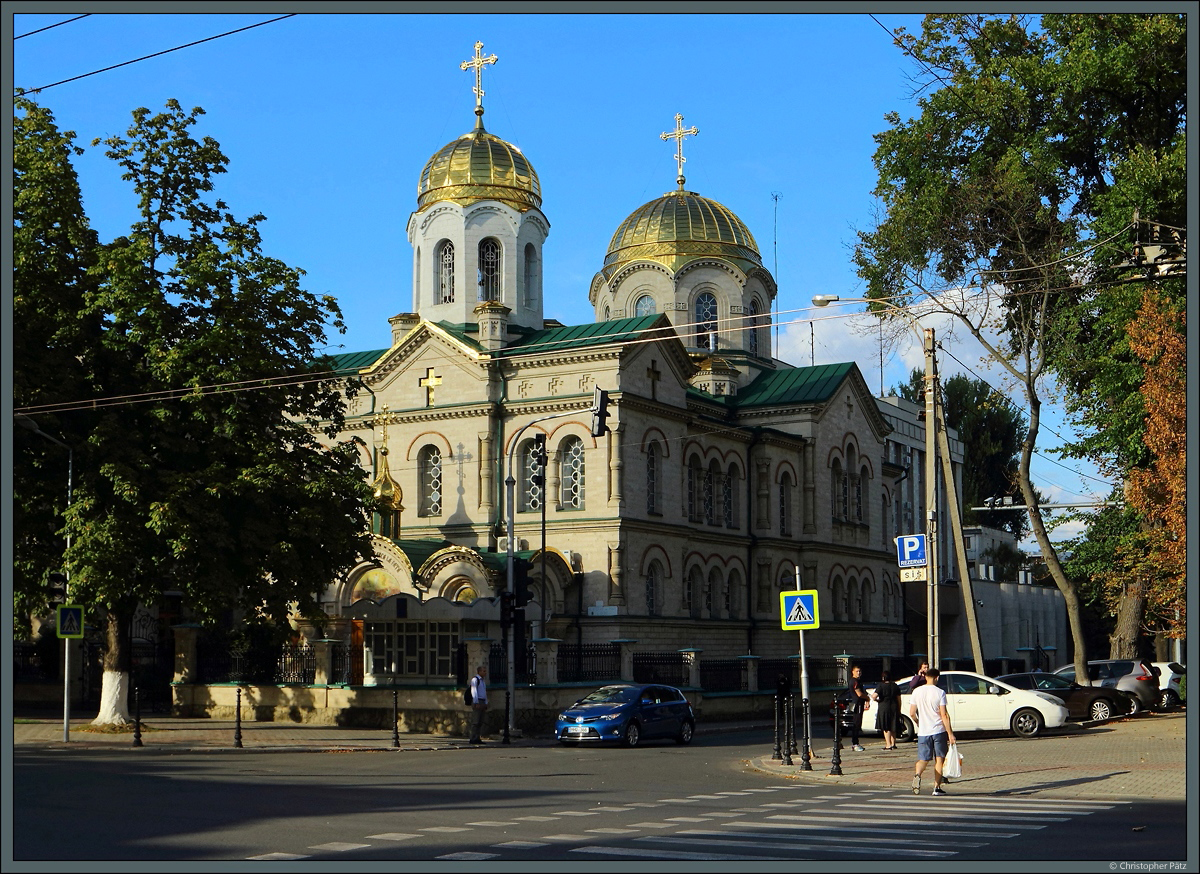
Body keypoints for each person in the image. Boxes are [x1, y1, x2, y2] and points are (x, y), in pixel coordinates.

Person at [909, 667, 956, 796]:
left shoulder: (917, 692)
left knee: (923, 759)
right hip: (938, 730)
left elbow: (912, 713)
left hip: (923, 732)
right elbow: (944, 715)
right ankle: (936, 787)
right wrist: (950, 734)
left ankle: (918, 775)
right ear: (937, 678)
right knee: (939, 759)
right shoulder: (940, 692)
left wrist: (918, 722)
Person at [845, 664, 870, 751]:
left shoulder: (858, 681)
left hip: (859, 703)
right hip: (857, 704)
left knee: (858, 724)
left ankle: (856, 743)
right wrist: (867, 698)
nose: (858, 673)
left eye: (860, 671)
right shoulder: (854, 681)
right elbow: (859, 694)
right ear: (852, 672)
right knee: (856, 724)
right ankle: (855, 743)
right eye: (857, 671)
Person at [875, 670, 901, 750]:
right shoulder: (895, 686)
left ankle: (888, 744)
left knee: (886, 726)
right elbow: (899, 699)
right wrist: (899, 709)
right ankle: (893, 744)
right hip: (893, 706)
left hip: (884, 706)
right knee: (893, 725)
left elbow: (873, 696)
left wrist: (878, 700)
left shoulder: (881, 686)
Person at [468, 663, 488, 744]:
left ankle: (478, 737)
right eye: (484, 671)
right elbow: (474, 691)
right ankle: (473, 738)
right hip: (478, 701)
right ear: (479, 671)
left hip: (482, 700)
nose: (485, 673)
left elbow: (484, 692)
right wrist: (476, 702)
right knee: (476, 721)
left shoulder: (483, 681)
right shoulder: (475, 680)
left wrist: (486, 702)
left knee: (480, 721)